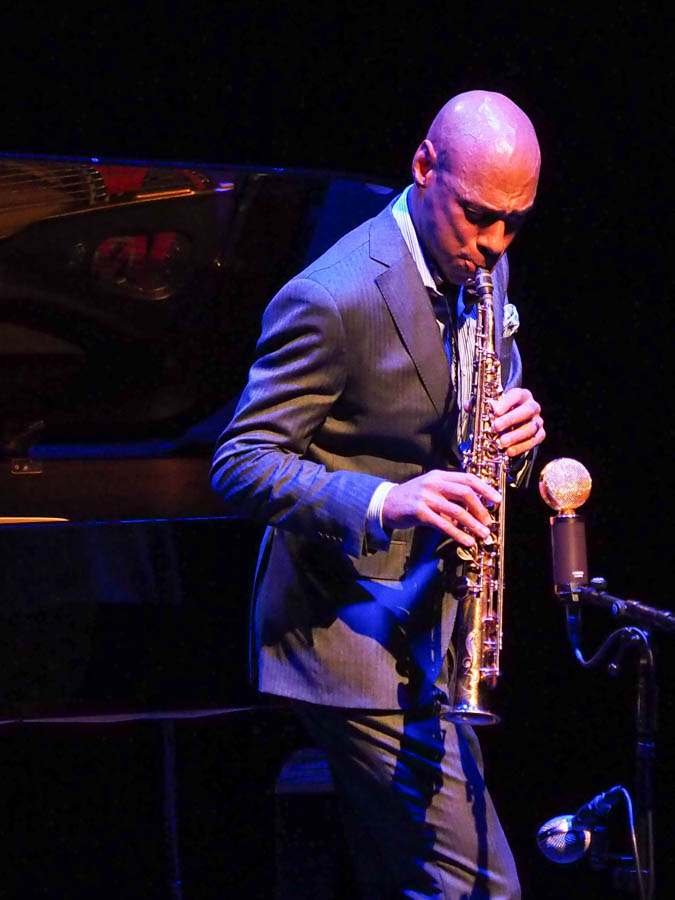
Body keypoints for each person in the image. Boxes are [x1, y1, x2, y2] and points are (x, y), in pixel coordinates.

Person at [211, 90, 545, 899]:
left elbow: (467, 418)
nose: (495, 244)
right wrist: (383, 502)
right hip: (345, 629)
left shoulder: (477, 262)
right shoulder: (331, 296)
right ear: (424, 167)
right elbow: (240, 461)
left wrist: (520, 440)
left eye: (514, 221)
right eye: (478, 217)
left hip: (427, 622)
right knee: (481, 890)